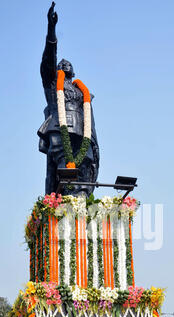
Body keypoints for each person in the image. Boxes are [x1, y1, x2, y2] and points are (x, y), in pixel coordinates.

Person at [38, 2, 100, 196]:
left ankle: (82, 211)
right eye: (61, 63)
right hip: (60, 130)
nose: (64, 62)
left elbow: (91, 119)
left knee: (84, 179)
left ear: (73, 72)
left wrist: (95, 145)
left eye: (68, 64)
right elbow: (49, 57)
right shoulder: (52, 84)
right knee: (65, 177)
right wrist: (51, 29)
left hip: (83, 134)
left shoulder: (82, 92)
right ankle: (64, 212)